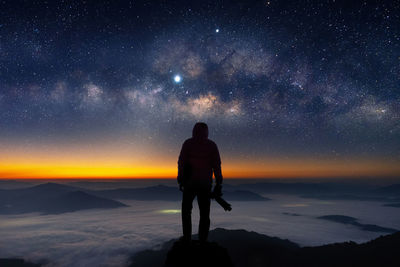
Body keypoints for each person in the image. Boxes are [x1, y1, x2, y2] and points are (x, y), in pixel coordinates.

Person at [178, 122, 223, 242]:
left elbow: (181, 162)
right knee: (204, 214)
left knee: (186, 212)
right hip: (205, 184)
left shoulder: (188, 143)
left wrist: (181, 179)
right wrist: (219, 182)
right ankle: (203, 241)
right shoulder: (211, 145)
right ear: (206, 132)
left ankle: (187, 239)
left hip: (189, 183)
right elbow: (216, 165)